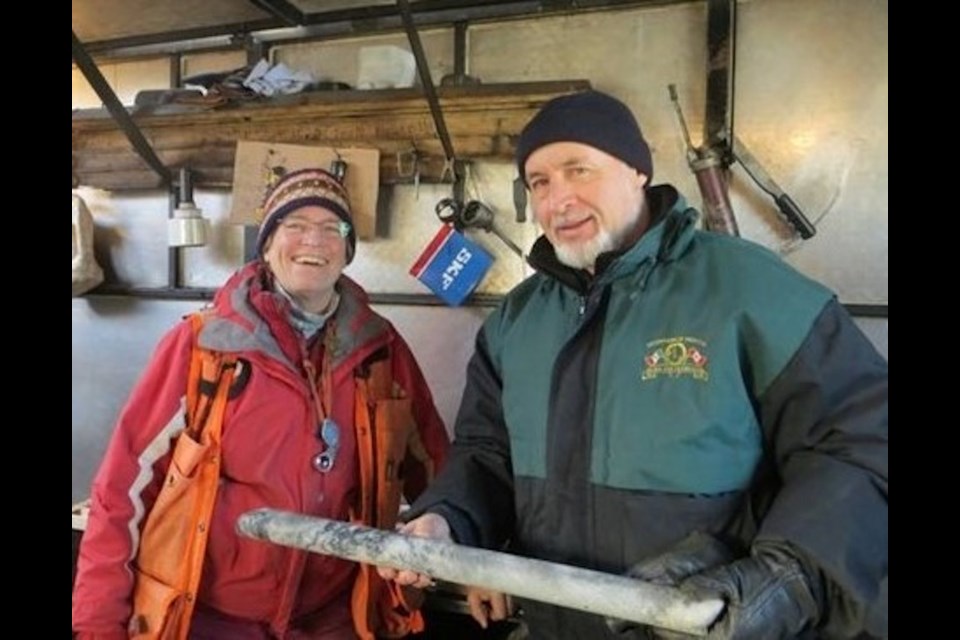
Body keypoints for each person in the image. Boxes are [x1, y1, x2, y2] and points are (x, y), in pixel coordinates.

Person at [378, 90, 888, 639]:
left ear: (637, 172)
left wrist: (786, 576)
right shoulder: (516, 321)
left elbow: (862, 441)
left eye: (579, 170)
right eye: (540, 182)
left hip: (709, 628)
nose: (560, 199)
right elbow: (487, 454)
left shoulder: (749, 291)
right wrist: (448, 519)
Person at [73, 167, 450, 640]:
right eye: (294, 226)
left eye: (333, 228)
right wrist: (97, 626)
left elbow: (438, 469)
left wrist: (466, 551)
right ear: (268, 245)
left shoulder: (381, 350)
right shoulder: (204, 347)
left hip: (333, 618)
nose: (314, 239)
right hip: (208, 620)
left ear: (348, 250)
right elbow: (121, 489)